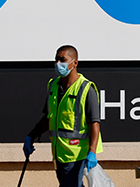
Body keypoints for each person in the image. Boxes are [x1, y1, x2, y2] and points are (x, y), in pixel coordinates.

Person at [23, 45, 103, 187]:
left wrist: (92, 152)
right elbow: (49, 117)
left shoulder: (86, 88)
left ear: (75, 63)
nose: (58, 64)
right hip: (59, 153)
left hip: (77, 154)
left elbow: (94, 123)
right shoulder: (53, 86)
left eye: (63, 60)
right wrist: (31, 136)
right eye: (56, 60)